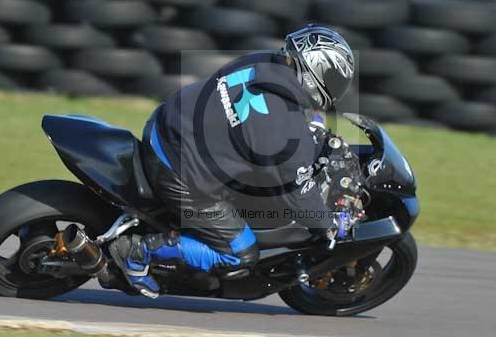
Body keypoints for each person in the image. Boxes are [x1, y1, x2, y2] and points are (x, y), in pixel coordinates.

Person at [107, 24, 355, 297]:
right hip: (177, 171)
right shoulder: (283, 131)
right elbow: (299, 196)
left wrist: (311, 126)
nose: (336, 87)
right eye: (333, 78)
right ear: (314, 71)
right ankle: (136, 251)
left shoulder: (263, 62)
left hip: (166, 122)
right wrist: (330, 227)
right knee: (241, 254)